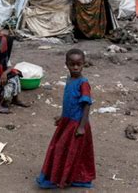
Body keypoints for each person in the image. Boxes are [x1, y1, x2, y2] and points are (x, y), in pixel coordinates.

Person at [37, 49, 95, 189]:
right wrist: (62, 116)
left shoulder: (83, 83)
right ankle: (60, 175)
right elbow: (69, 101)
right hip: (67, 121)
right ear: (66, 64)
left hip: (77, 123)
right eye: (72, 64)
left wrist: (81, 126)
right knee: (64, 149)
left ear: (84, 64)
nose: (75, 67)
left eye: (78, 64)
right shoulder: (69, 79)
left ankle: (67, 178)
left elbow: (86, 105)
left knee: (66, 149)